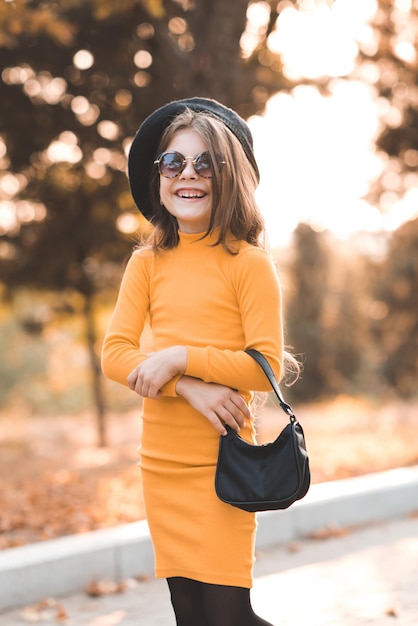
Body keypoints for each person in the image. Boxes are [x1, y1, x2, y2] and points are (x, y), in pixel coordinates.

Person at [101, 97, 284, 626]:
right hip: (162, 464)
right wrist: (187, 386)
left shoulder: (249, 263)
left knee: (229, 618)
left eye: (206, 163)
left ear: (229, 178)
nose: (190, 174)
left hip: (224, 464)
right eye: (174, 162)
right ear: (158, 178)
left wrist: (180, 356)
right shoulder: (146, 263)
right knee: (192, 619)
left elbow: (264, 367)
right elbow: (115, 355)